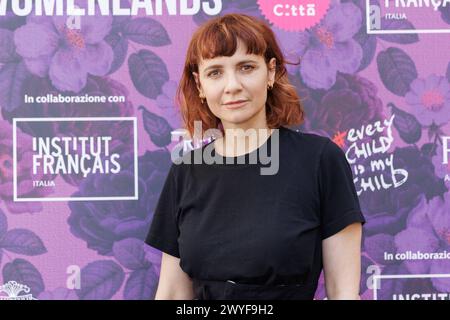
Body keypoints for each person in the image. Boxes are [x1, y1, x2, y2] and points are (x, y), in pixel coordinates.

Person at [145, 13, 366, 300]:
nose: (232, 85)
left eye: (246, 67)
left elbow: (343, 293)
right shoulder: (186, 171)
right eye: (215, 72)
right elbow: (173, 293)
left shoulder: (320, 161)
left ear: (271, 71)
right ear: (200, 85)